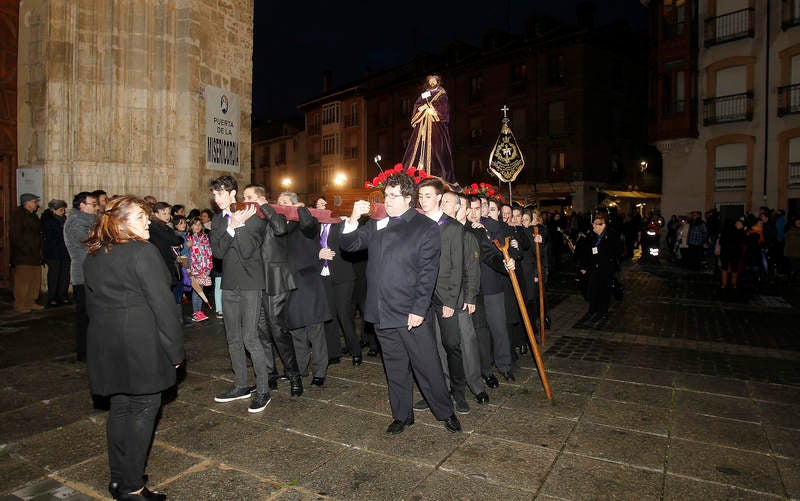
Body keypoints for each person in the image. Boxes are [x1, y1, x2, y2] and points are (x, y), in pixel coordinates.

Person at [340, 171, 462, 435]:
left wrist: (419, 309)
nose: (388, 200)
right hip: (381, 310)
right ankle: (402, 415)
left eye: (393, 196)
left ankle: (445, 412)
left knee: (427, 366)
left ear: (408, 198)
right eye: (386, 195)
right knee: (394, 367)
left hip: (410, 312)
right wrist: (352, 219)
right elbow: (348, 245)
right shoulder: (377, 223)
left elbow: (428, 272)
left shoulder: (425, 227)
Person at [83, 195, 184, 501]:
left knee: (121, 408)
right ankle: (132, 488)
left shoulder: (96, 253)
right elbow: (163, 307)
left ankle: (120, 478)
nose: (148, 222)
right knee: (143, 409)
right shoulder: (142, 252)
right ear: (121, 223)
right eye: (140, 217)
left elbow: (91, 303)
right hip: (140, 342)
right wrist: (175, 353)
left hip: (106, 340)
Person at [209, 176, 272, 413]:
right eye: (214, 194)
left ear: (233, 193)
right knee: (233, 338)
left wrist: (240, 225)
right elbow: (219, 252)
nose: (217, 198)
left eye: (221, 193)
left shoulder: (253, 215)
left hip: (250, 283)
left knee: (250, 338)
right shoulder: (217, 221)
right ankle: (241, 385)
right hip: (229, 284)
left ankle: (264, 390)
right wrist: (230, 226)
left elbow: (247, 251)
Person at [242, 184, 303, 397]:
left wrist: (264, 206)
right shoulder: (248, 217)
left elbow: (280, 229)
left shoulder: (277, 212)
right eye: (244, 196)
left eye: (249, 196)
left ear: (260, 197)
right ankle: (270, 375)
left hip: (276, 278)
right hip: (255, 279)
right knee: (260, 331)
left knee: (278, 329)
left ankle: (294, 374)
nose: (245, 199)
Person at [414, 178, 468, 414]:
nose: (422, 200)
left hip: (445, 296)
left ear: (438, 198)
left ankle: (458, 392)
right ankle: (433, 393)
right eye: (420, 196)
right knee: (426, 348)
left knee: (451, 345)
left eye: (427, 196)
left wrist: (450, 301)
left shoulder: (453, 227)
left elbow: (458, 268)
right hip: (421, 297)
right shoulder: (415, 225)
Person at [64, 192, 100, 361]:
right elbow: (91, 243)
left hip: (93, 273)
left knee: (93, 315)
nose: (97, 207)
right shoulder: (76, 222)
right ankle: (84, 352)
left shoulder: (91, 221)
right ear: (82, 206)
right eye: (93, 204)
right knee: (84, 316)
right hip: (83, 274)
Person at [401, 74, 455, 184]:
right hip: (423, 124)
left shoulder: (441, 93)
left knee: (436, 149)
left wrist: (430, 107)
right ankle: (418, 171)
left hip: (436, 125)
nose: (432, 83)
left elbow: (444, 107)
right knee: (418, 147)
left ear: (438, 81)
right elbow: (418, 105)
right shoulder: (425, 93)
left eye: (434, 80)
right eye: (430, 81)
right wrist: (422, 108)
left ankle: (436, 173)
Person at [576, 212, 622, 321]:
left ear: (603, 225)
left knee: (603, 291)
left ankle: (602, 312)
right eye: (593, 224)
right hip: (593, 268)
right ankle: (593, 310)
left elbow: (617, 251)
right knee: (592, 290)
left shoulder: (611, 235)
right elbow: (585, 252)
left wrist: (608, 260)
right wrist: (584, 266)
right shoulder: (591, 236)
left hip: (606, 269)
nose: (593, 226)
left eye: (596, 224)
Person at [10, 193, 44, 313]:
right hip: (24, 255)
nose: (37, 204)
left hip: (35, 254)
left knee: (34, 280)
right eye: (35, 202)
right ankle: (20, 304)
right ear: (27, 202)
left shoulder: (33, 216)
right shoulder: (19, 216)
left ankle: (31, 301)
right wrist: (25, 249)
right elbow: (16, 236)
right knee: (23, 281)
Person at [42, 199, 71, 307]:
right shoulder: (48, 220)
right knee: (54, 275)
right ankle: (52, 297)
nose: (63, 212)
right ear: (53, 210)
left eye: (63, 210)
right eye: (60, 210)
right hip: (53, 252)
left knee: (64, 275)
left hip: (64, 251)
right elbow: (52, 236)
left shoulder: (63, 219)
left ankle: (62, 296)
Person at [186, 217, 212, 321]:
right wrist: (198, 269)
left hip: (205, 268)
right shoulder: (188, 238)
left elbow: (209, 252)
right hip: (195, 269)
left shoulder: (205, 237)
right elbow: (191, 255)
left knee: (201, 290)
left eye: (199, 224)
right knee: (197, 290)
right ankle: (196, 312)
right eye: (194, 224)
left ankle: (199, 311)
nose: (197, 227)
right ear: (190, 226)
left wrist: (209, 266)